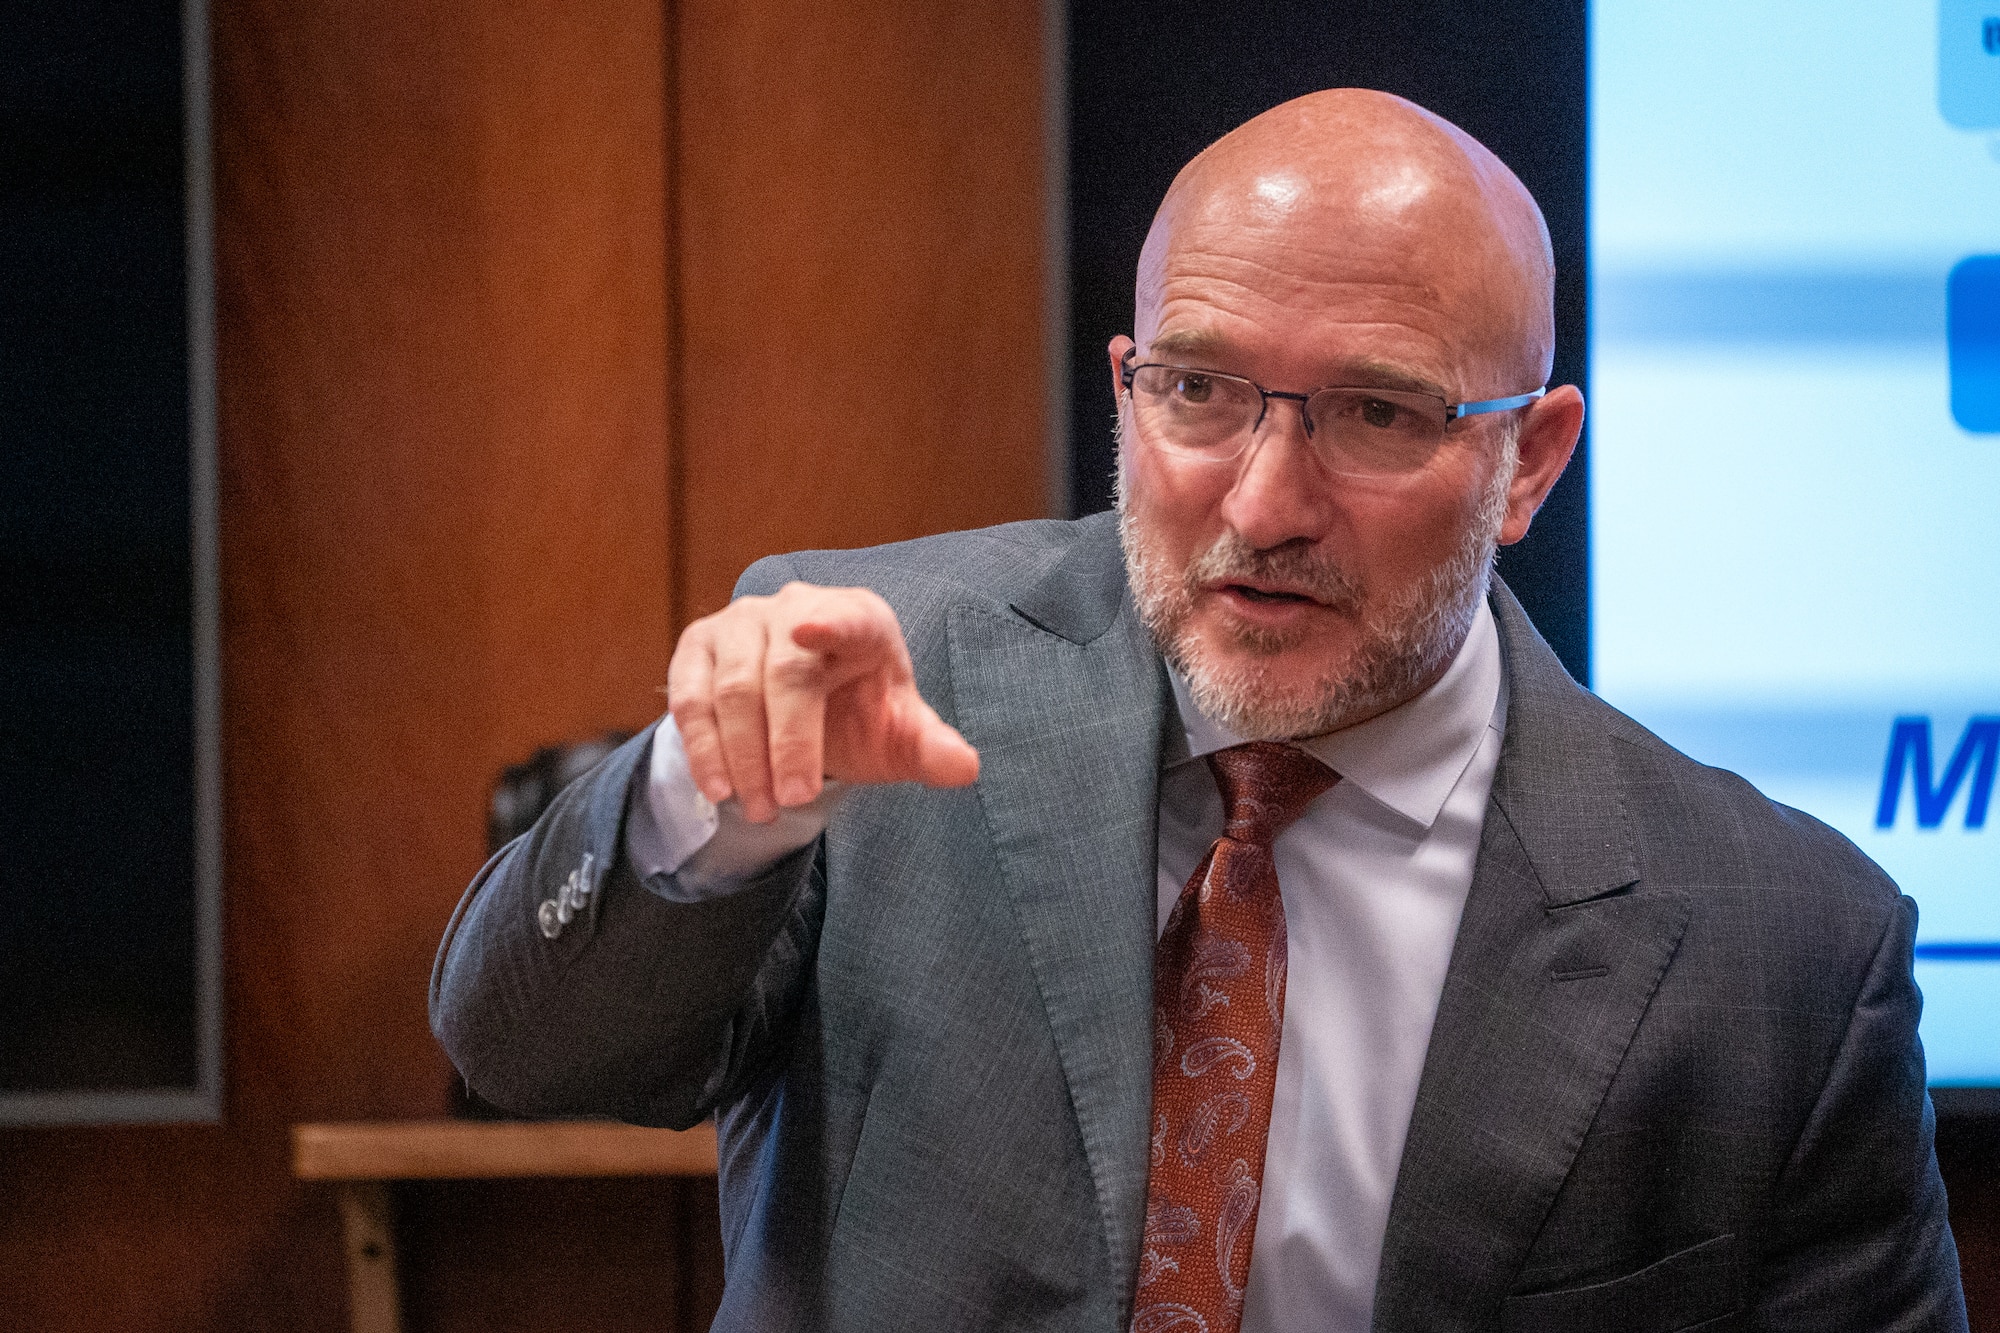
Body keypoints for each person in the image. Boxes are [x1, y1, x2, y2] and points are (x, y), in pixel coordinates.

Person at [431, 90, 1967, 1332]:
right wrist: (706, 811)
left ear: (1533, 462)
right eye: (1200, 389)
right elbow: (526, 1052)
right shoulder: (872, 678)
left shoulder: (1787, 947)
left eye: (1377, 411)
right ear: (1129, 385)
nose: (1265, 498)